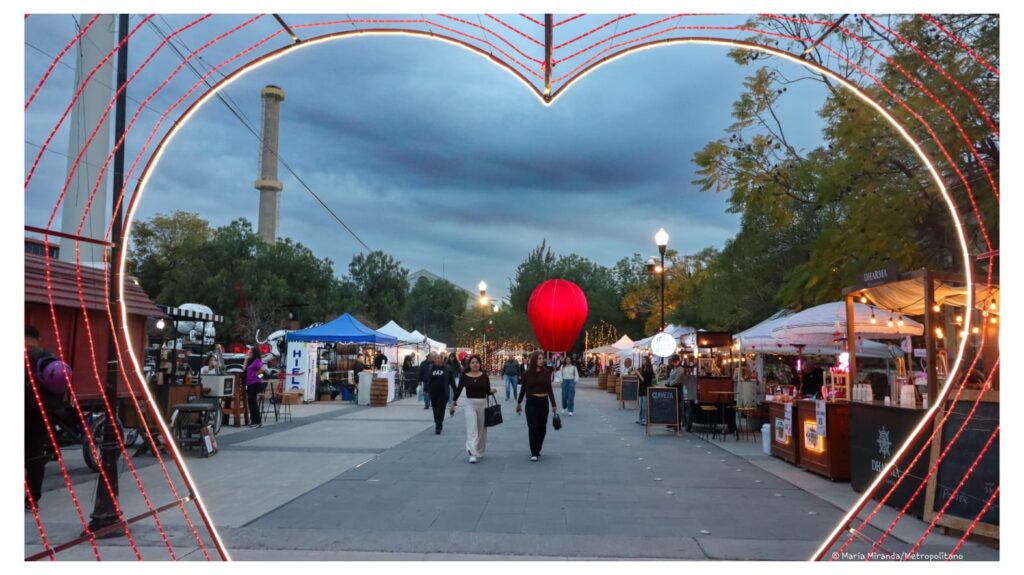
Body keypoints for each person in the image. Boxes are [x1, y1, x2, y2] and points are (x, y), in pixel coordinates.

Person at [25, 325, 70, 510]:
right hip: (42, 413)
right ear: (38, 338)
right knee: (35, 455)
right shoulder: (49, 357)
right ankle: (33, 498)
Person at [449, 354, 497, 463]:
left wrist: (492, 391)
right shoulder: (464, 376)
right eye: (473, 362)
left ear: (480, 364)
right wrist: (453, 403)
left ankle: (479, 450)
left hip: (483, 404)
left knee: (481, 430)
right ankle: (472, 453)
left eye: (477, 362)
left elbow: (487, 390)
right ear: (469, 364)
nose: (475, 364)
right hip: (470, 404)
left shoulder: (484, 376)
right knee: (472, 429)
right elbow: (458, 390)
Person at [516, 350, 558, 461]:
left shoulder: (546, 372)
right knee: (533, 427)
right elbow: (523, 389)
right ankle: (534, 452)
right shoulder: (526, 374)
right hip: (531, 402)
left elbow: (549, 389)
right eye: (539, 358)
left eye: (542, 358)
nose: (541, 360)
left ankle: (538, 448)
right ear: (534, 359)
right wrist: (519, 403)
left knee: (542, 428)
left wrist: (553, 404)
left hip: (543, 402)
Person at [426, 354, 453, 434]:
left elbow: (451, 381)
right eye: (436, 358)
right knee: (435, 409)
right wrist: (426, 389)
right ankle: (437, 422)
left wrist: (456, 392)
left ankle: (438, 426)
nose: (438, 360)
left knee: (440, 409)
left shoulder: (446, 369)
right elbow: (428, 380)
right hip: (433, 393)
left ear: (442, 360)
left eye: (439, 358)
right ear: (434, 360)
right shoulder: (431, 369)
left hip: (443, 393)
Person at [244, 346, 268, 428]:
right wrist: (246, 359)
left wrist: (257, 374)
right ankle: (254, 421)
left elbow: (263, 369)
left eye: (250, 352)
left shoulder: (257, 361)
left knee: (253, 403)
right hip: (250, 384)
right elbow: (244, 369)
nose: (249, 353)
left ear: (254, 353)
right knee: (251, 402)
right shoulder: (251, 361)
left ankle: (257, 421)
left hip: (254, 383)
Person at [637, 356, 655, 425]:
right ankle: (640, 419)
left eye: (644, 360)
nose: (642, 361)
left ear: (647, 361)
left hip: (646, 389)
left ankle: (644, 419)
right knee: (641, 405)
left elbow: (645, 381)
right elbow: (641, 379)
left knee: (644, 406)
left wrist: (639, 374)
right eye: (642, 360)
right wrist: (638, 374)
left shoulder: (649, 370)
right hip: (641, 389)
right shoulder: (642, 369)